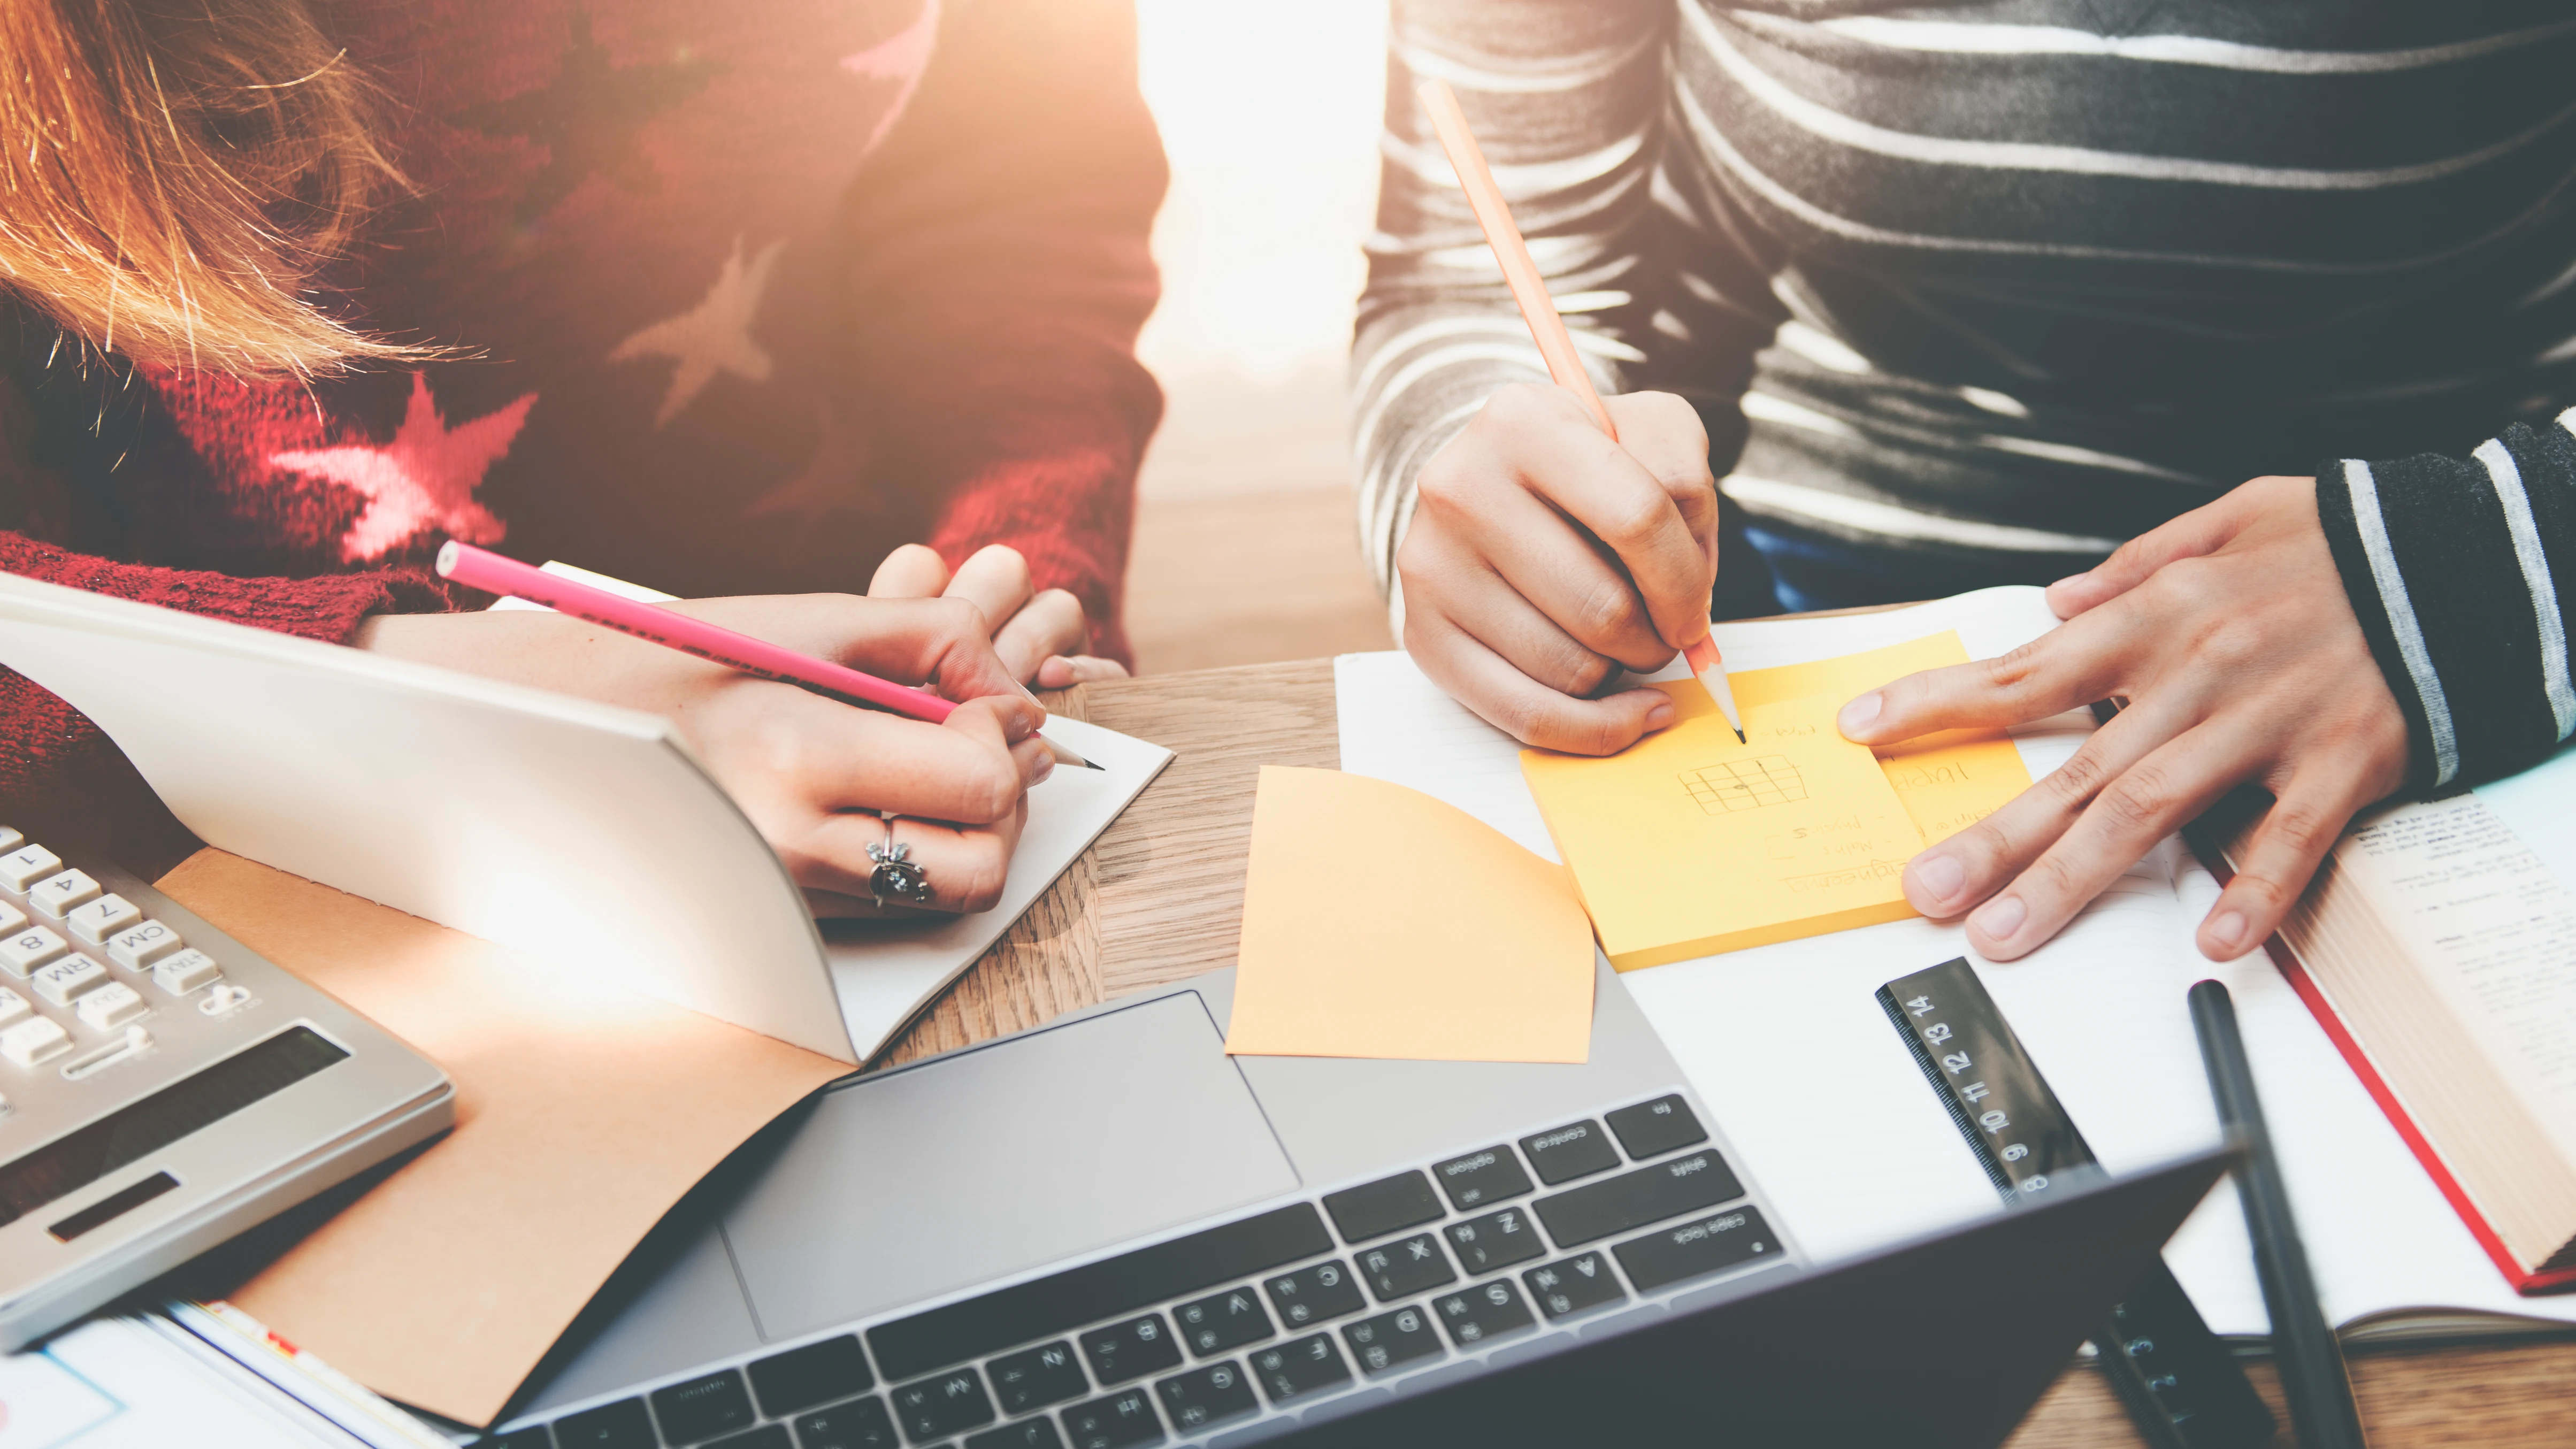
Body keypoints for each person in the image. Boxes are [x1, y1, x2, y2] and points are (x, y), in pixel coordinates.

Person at [1356, 3, 2576, 960]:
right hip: (1788, 599)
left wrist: (2471, 559)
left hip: (2430, 615)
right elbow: (1478, 269)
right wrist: (1487, 491)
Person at [0, 0, 1167, 913]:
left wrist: (1014, 558)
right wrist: (505, 725)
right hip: (206, 865)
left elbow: (1020, 189)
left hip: (888, 725)